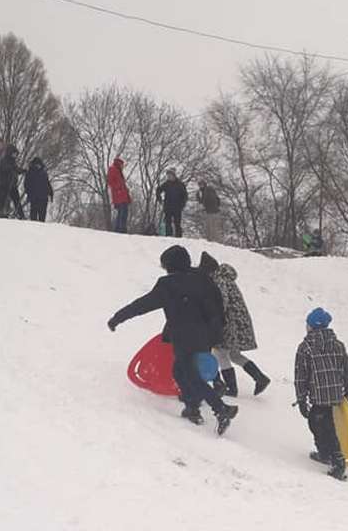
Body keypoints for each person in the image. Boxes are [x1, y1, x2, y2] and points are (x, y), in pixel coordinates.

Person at [107, 245, 238, 434]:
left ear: (169, 265)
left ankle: (221, 409)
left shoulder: (169, 285)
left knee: (191, 375)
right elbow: (217, 304)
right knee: (179, 372)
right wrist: (216, 330)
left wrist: (118, 318)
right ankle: (192, 408)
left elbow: (142, 305)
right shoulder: (202, 279)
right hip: (205, 336)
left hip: (184, 337)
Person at [198, 252, 271, 397]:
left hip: (229, 322)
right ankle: (260, 377)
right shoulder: (226, 278)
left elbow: (221, 301)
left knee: (221, 353)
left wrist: (211, 316)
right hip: (239, 322)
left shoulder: (219, 280)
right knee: (234, 354)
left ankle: (232, 389)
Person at [294, 307, 348, 481]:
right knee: (318, 421)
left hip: (319, 395)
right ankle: (324, 452)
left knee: (324, 426)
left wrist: (301, 399)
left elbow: (301, 375)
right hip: (335, 391)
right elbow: (347, 367)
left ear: (311, 326)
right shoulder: (337, 344)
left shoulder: (305, 347)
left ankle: (337, 460)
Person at [156, 168, 188, 237]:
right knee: (168, 222)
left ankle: (178, 237)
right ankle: (168, 236)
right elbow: (158, 190)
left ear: (174, 175)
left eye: (170, 175)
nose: (169, 177)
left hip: (177, 207)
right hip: (168, 206)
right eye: (168, 176)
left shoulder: (180, 184)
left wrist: (182, 204)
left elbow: (185, 195)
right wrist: (159, 199)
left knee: (177, 223)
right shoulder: (166, 184)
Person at [0, 145, 25, 219]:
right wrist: (12, 169)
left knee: (16, 199)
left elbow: (16, 169)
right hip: (5, 184)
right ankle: (1, 212)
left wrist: (22, 171)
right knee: (3, 199)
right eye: (14, 154)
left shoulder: (13, 161)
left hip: (12, 184)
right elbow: (4, 168)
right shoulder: (4, 160)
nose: (15, 155)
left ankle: (20, 214)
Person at [24, 157, 53, 222]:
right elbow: (26, 184)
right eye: (36, 164)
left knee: (42, 216)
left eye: (39, 164)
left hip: (44, 197)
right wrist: (29, 194)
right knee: (33, 214)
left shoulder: (44, 173)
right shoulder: (30, 172)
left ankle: (41, 229)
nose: (38, 166)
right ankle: (33, 229)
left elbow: (47, 183)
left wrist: (51, 193)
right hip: (34, 197)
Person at [107, 157, 131, 233]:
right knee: (122, 213)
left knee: (123, 212)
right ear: (119, 164)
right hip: (119, 195)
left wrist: (127, 194)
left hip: (122, 196)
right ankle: (120, 229)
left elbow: (122, 184)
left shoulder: (118, 171)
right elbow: (110, 182)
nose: (123, 167)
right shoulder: (113, 169)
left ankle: (120, 229)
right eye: (122, 165)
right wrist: (118, 188)